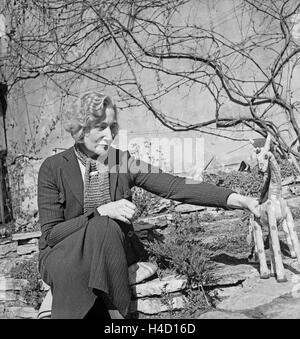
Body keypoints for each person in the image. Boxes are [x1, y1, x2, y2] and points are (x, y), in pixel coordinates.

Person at [37, 91, 260, 319]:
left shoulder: (120, 161)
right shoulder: (53, 168)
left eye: (112, 128)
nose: (109, 135)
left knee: (105, 227)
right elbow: (52, 235)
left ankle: (112, 314)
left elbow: (175, 185)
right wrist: (101, 211)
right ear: (80, 129)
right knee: (102, 223)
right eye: (101, 127)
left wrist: (240, 200)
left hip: (111, 249)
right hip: (65, 252)